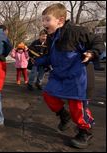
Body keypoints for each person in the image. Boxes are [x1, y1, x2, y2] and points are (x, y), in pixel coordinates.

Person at [35, 3, 105, 149]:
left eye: (47, 20)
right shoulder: (51, 37)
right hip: (59, 75)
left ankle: (85, 131)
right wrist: (38, 61)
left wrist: (92, 53)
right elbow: (52, 57)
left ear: (60, 21)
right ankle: (63, 115)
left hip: (78, 77)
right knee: (48, 95)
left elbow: (98, 42)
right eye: (43, 20)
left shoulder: (76, 31)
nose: (44, 23)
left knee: (77, 107)